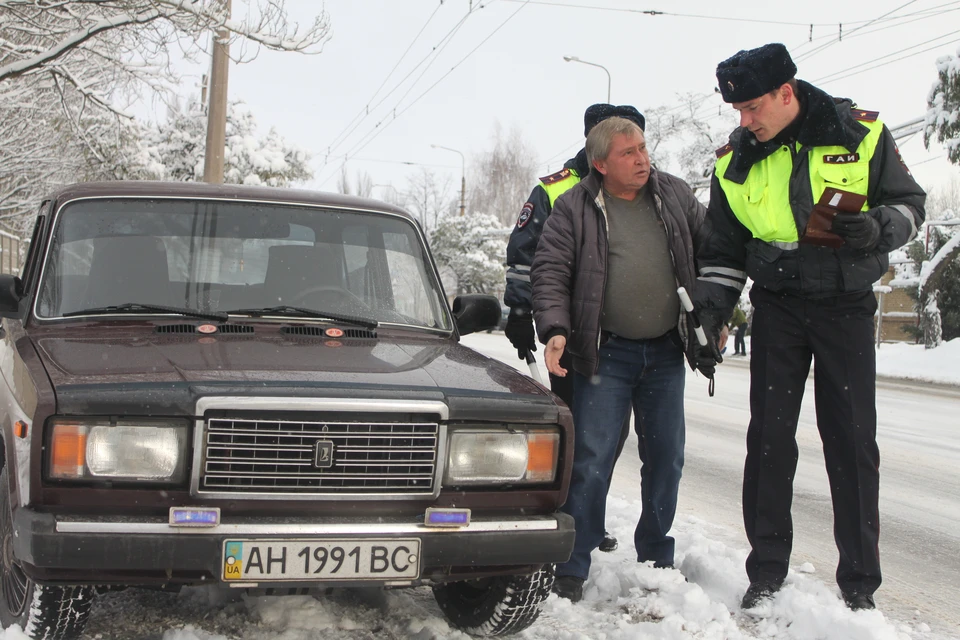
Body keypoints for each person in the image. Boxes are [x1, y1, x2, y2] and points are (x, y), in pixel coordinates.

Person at [694, 43, 926, 612]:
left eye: (752, 108)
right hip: (777, 307)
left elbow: (911, 206)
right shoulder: (734, 161)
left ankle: (859, 586)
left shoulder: (861, 133)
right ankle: (766, 573)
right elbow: (722, 250)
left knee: (850, 444)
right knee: (769, 443)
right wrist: (713, 314)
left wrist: (877, 227)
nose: (744, 121)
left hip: (844, 307)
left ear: (786, 93)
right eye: (738, 112)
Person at [531, 116, 716, 602]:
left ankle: (656, 554)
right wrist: (553, 330)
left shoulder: (673, 195)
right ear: (600, 163)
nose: (641, 159)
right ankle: (572, 563)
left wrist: (711, 316)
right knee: (590, 459)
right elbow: (549, 270)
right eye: (628, 153)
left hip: (664, 351)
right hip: (605, 354)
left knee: (666, 458)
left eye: (643, 148)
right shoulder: (574, 206)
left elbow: (714, 247)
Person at [504, 103, 646, 554]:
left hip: (620, 338)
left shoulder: (640, 189)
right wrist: (520, 312)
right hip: (566, 334)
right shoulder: (556, 190)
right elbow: (525, 254)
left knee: (608, 438)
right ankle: (559, 517)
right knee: (573, 433)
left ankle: (586, 519)